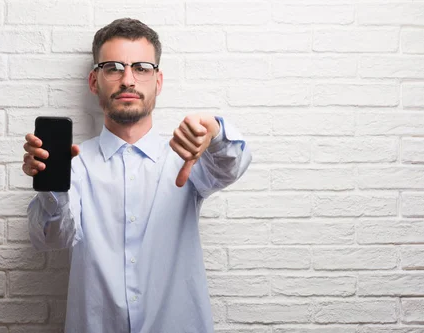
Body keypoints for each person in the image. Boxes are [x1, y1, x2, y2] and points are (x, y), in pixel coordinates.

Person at [23, 18, 252, 333]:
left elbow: (231, 166)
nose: (128, 79)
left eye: (142, 67)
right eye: (113, 67)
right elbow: (51, 239)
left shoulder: (187, 157)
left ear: (157, 82)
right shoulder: (74, 165)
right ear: (94, 81)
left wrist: (214, 130)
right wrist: (51, 185)